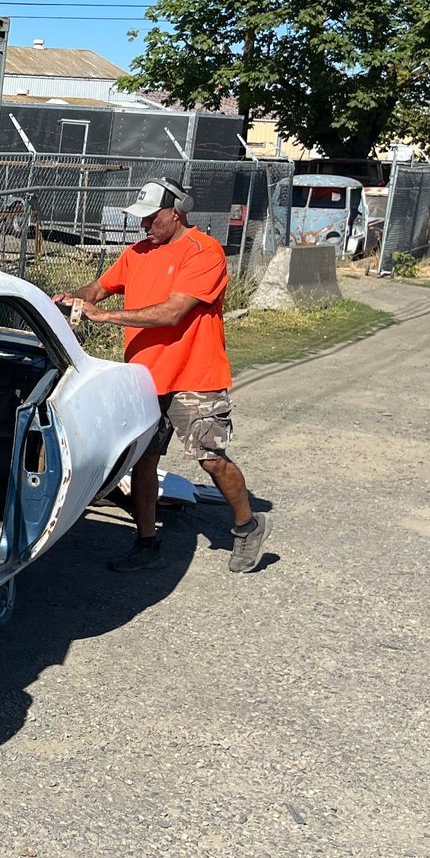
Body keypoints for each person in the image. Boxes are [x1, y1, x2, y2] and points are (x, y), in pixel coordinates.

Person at [53, 178, 270, 574]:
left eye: (153, 218)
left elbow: (172, 313)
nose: (145, 226)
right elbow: (99, 289)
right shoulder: (137, 252)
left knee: (210, 460)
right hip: (144, 380)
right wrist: (75, 297)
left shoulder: (204, 252)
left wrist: (105, 316)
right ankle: (146, 542)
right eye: (142, 219)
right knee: (143, 462)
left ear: (178, 211)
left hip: (194, 377)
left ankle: (248, 525)